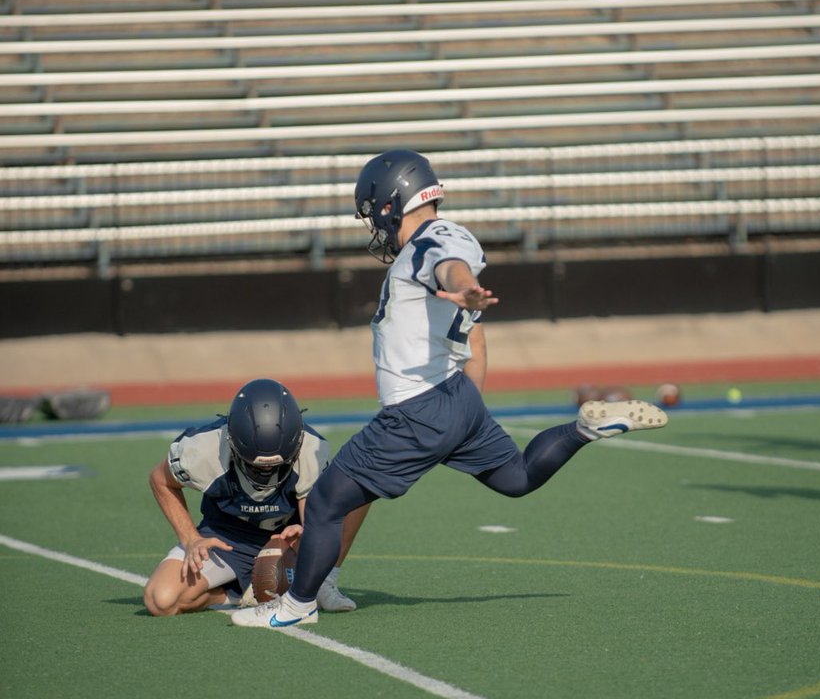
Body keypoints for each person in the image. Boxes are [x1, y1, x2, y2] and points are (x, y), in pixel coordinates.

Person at [232, 149, 668, 629]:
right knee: (517, 477)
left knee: (326, 500)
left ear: (390, 202)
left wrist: (460, 288)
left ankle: (297, 607)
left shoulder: (429, 242)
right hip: (456, 396)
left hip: (417, 408)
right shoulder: (448, 235)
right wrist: (467, 406)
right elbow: (463, 298)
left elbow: (449, 266)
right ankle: (582, 429)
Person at [144, 378, 369, 615]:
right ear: (231, 441)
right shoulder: (204, 449)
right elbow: (160, 480)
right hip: (226, 538)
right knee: (161, 600)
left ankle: (324, 580)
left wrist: (307, 534)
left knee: (357, 490)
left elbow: (311, 516)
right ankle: (239, 595)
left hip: (287, 539)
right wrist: (191, 539)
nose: (267, 473)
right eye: (256, 466)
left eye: (276, 465)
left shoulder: (311, 447)